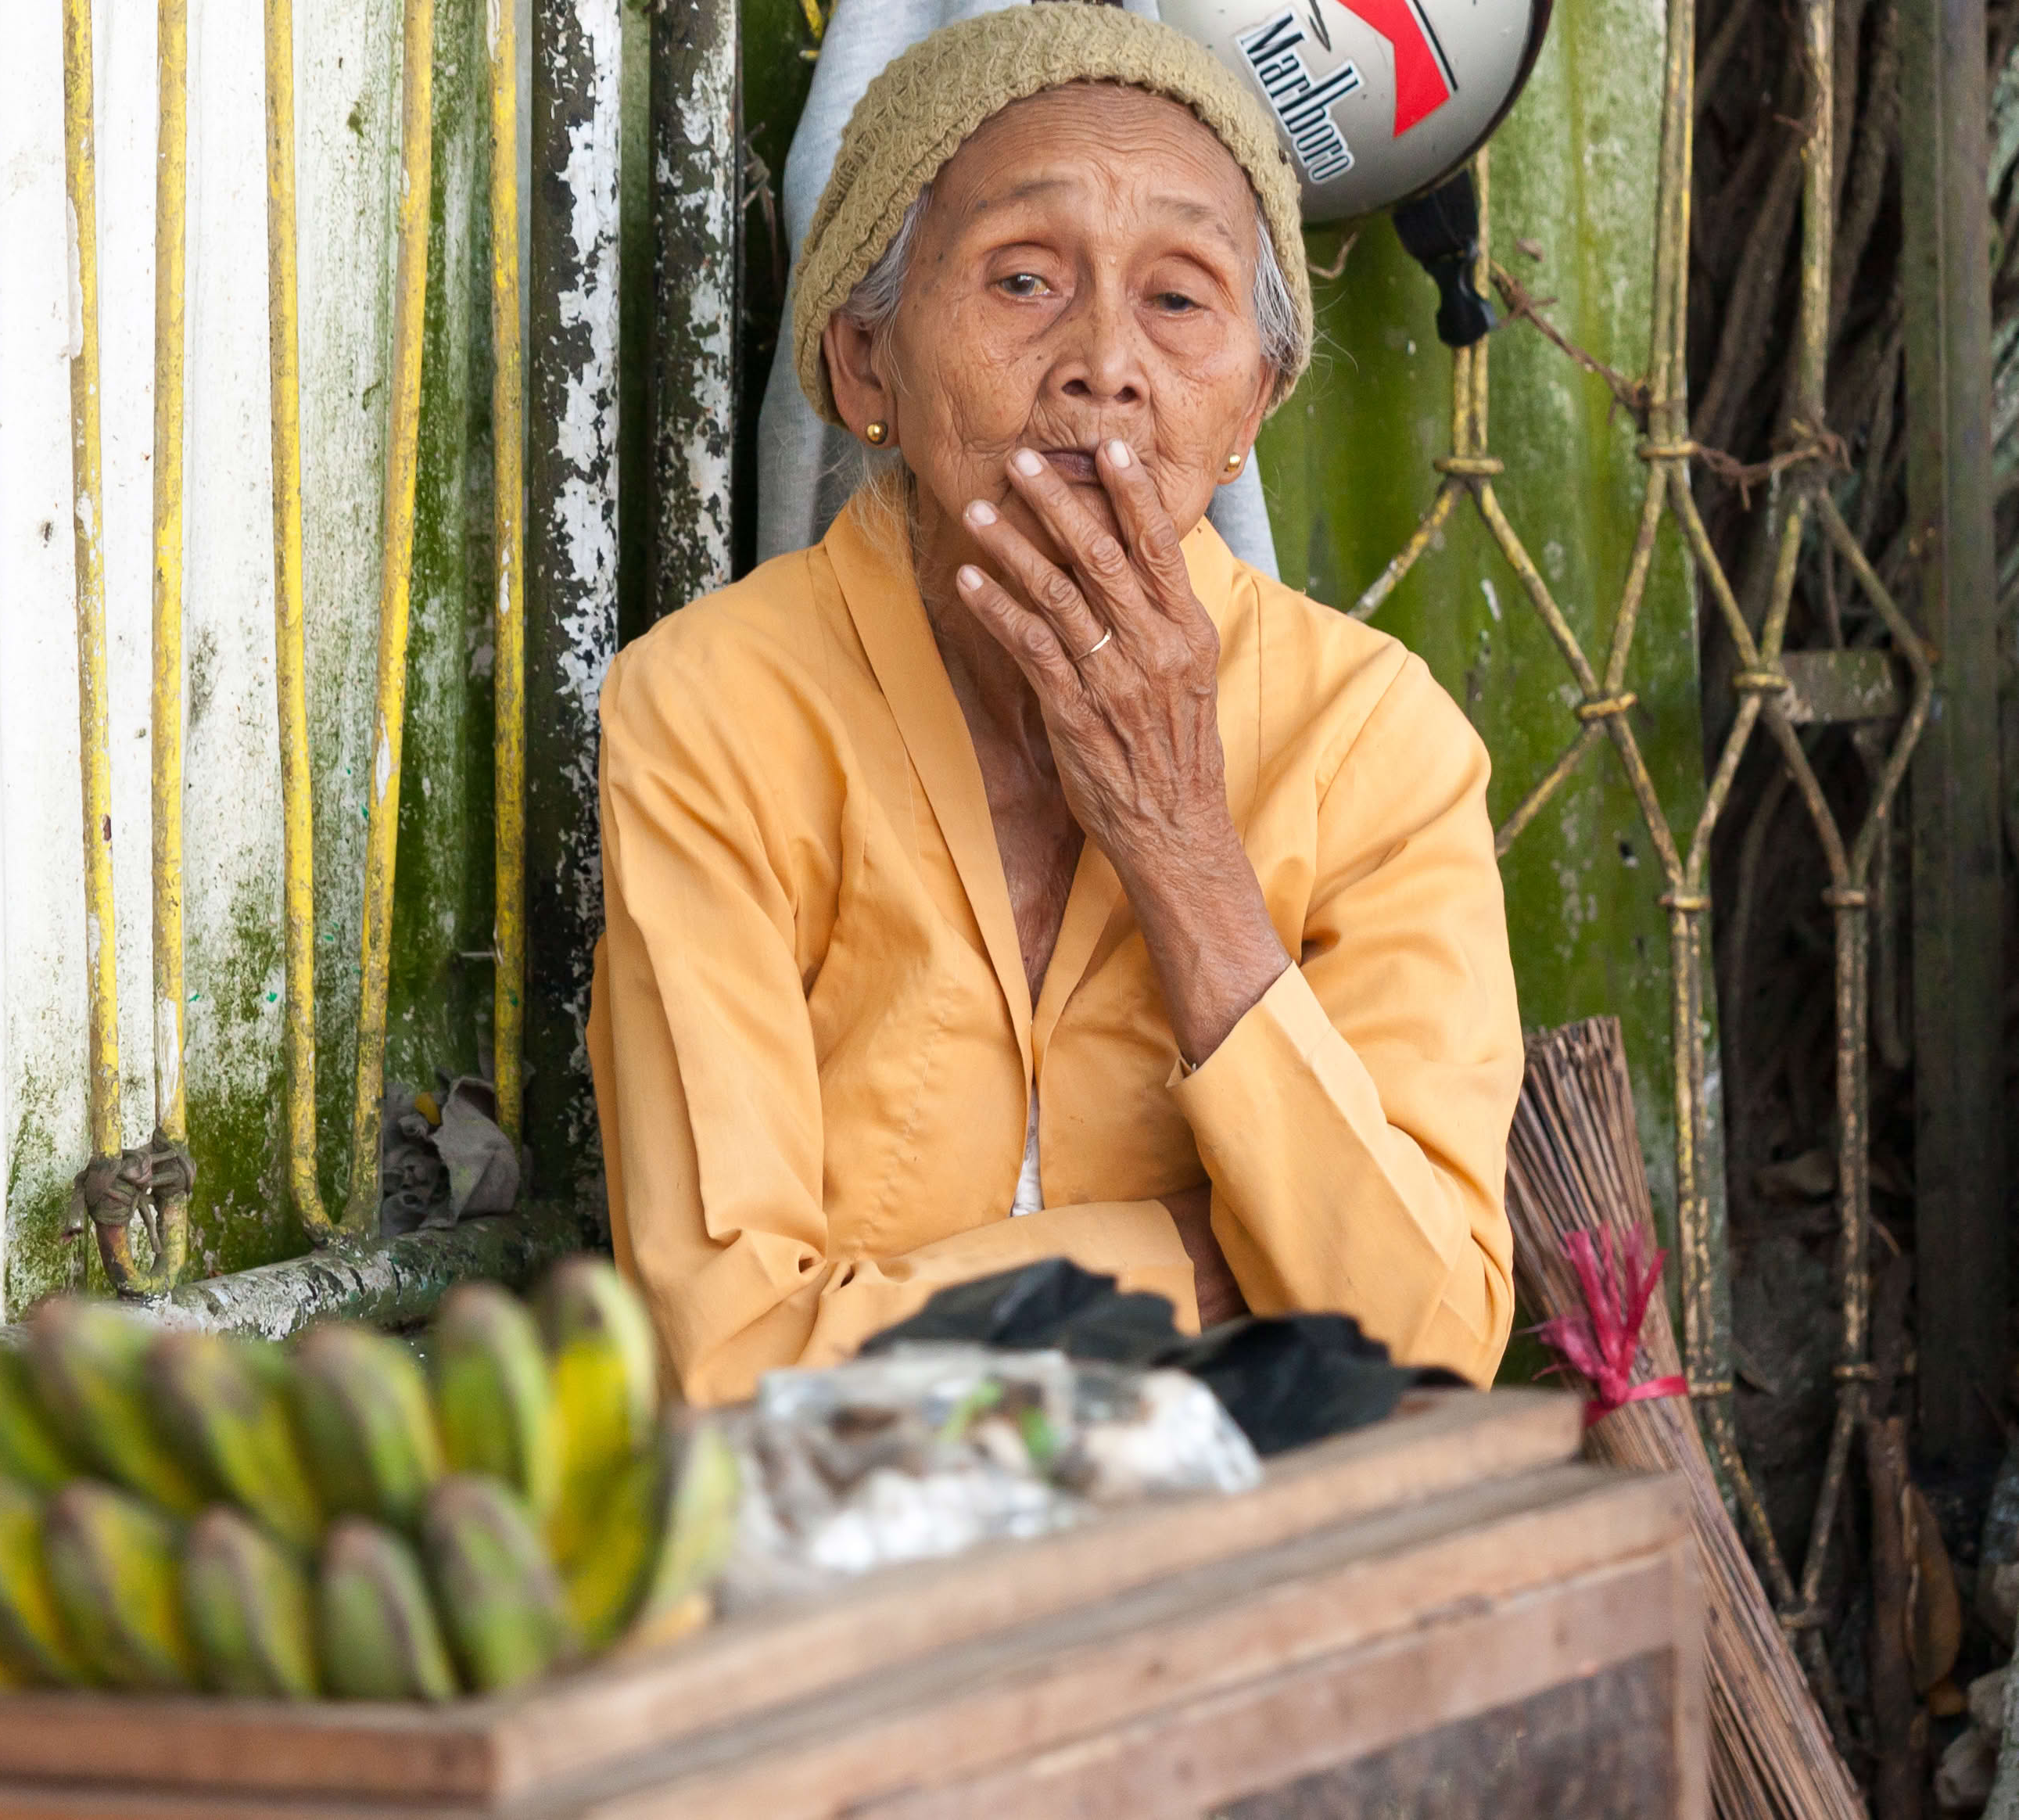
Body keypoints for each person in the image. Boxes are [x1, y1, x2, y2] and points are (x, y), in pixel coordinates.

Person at [585, 4, 1522, 1405]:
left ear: (1251, 407)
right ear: (865, 361)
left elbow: (1428, 1344)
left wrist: (1183, 849)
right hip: (867, 1537)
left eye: (1180, 299)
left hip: (1264, 1530)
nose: (1106, 363)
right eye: (1023, 280)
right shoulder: (713, 712)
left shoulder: (1379, 742)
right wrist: (1178, 1271)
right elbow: (728, 1365)